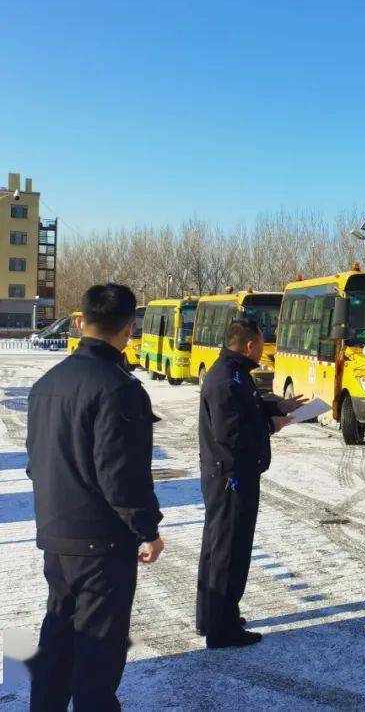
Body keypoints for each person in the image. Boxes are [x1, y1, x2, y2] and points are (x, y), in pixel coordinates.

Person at [26, 283, 165, 711]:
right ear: (130, 329)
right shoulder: (119, 389)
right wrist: (147, 529)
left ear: (82, 322)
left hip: (56, 535)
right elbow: (121, 476)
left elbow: (35, 462)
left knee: (56, 642)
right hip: (101, 544)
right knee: (98, 655)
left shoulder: (47, 383)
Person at [196, 318, 306, 648]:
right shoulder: (226, 379)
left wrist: (278, 405)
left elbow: (248, 407)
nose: (263, 349)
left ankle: (215, 614)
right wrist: (272, 425)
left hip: (230, 473)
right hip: (231, 476)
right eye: (260, 344)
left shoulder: (233, 372)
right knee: (229, 550)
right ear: (248, 346)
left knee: (219, 547)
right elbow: (231, 432)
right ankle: (222, 628)